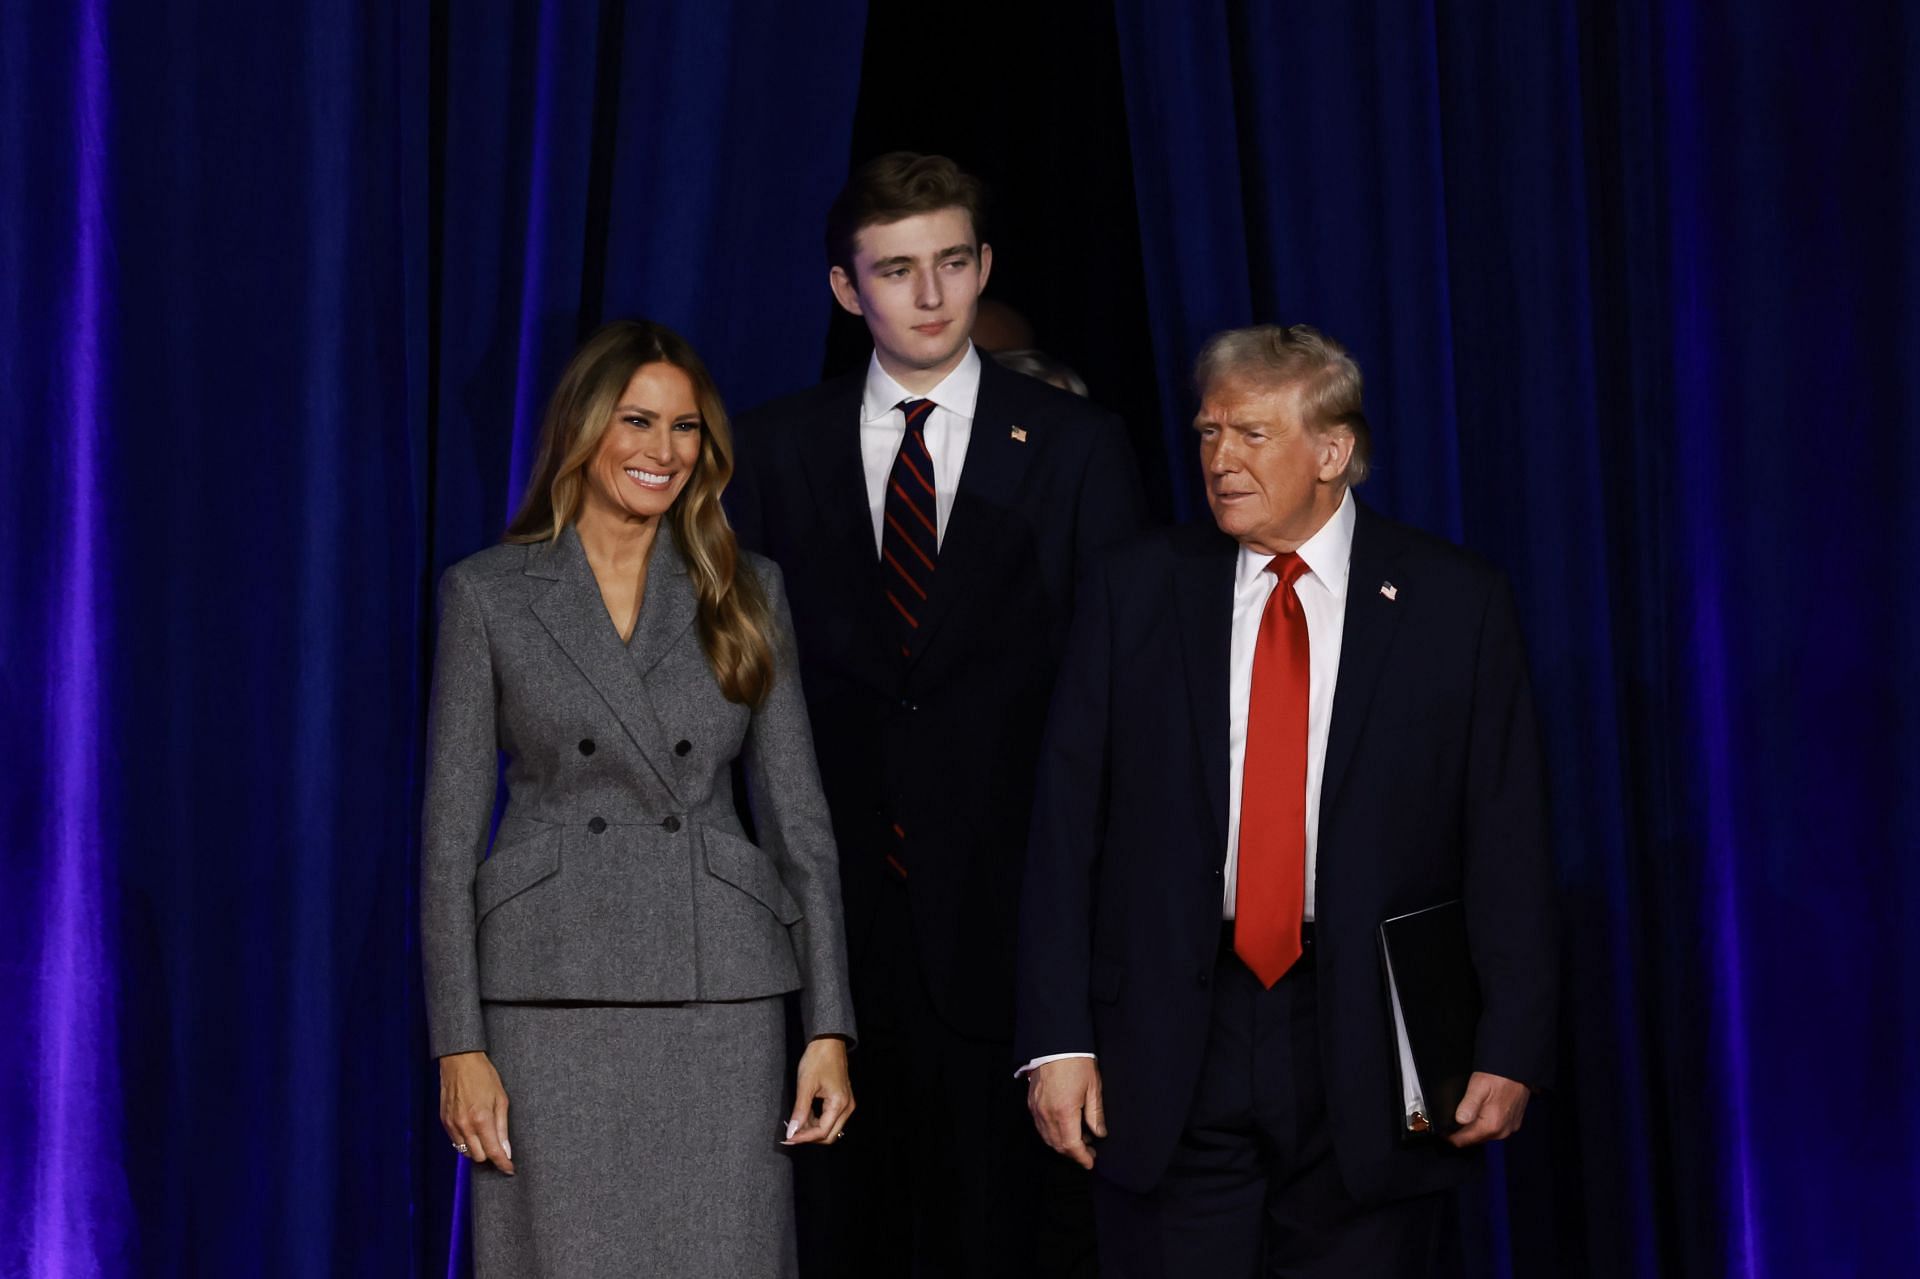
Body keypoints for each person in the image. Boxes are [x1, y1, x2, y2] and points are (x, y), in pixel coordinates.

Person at [1017, 324, 1558, 1276]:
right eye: (1208, 433)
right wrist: (1056, 1038)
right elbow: (1065, 831)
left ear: (1333, 451)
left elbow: (1505, 838)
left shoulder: (1453, 602)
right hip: (1176, 1034)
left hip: (1369, 1036)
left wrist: (1510, 1040)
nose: (1219, 460)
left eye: (1251, 435)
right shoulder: (1137, 590)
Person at [727, 152, 1145, 1276]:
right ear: (844, 288)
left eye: (952, 264)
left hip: (1016, 937)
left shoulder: (1075, 448)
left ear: (984, 267)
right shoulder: (772, 449)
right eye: (897, 269)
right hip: (830, 939)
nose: (929, 296)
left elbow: (1121, 704)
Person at [421, 319, 857, 1277]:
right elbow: (448, 846)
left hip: (723, 995)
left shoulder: (745, 590)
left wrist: (828, 1025)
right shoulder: (488, 595)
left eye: (686, 428)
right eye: (638, 421)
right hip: (547, 996)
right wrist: (460, 1043)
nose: (664, 451)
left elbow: (801, 825)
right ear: (585, 429)